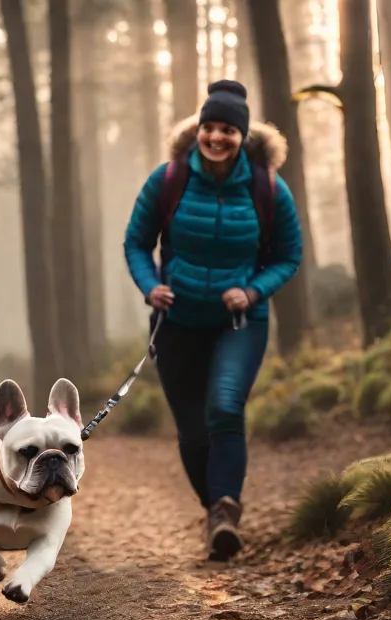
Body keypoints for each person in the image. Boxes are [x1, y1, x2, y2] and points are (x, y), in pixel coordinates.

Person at [122, 79, 304, 561]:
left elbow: (289, 255)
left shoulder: (268, 187)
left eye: (228, 129)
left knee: (225, 407)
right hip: (175, 320)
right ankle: (216, 512)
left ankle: (225, 510)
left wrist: (252, 290)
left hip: (237, 324)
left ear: (242, 136)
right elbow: (137, 242)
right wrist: (149, 285)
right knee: (192, 430)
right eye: (209, 127)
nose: (217, 137)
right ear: (198, 130)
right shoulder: (168, 179)